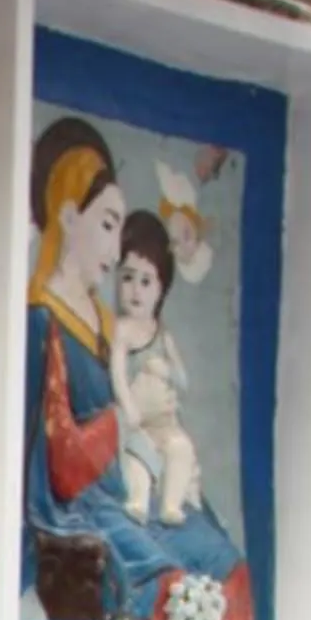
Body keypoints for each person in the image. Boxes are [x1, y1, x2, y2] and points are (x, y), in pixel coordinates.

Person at [22, 115, 253, 620]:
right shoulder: (43, 322)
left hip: (131, 485)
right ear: (66, 215)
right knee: (168, 583)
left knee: (226, 567)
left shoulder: (104, 323)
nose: (114, 249)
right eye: (106, 224)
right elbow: (60, 466)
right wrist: (126, 418)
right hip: (80, 509)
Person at [112, 210, 201, 527]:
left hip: (165, 423)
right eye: (128, 277)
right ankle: (138, 500)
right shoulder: (121, 330)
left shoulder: (162, 334)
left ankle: (171, 505)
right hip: (136, 423)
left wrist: (168, 373)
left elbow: (183, 381)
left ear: (161, 288)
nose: (136, 290)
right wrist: (128, 404)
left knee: (181, 449)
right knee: (138, 458)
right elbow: (117, 371)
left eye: (146, 281)